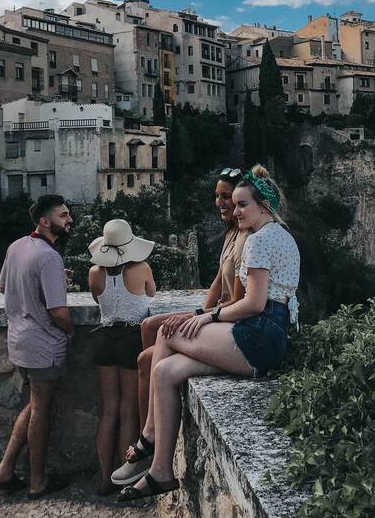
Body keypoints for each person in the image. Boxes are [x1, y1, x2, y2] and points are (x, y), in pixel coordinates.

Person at [119, 165, 300, 502]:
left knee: (169, 331)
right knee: (166, 371)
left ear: (264, 205)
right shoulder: (282, 235)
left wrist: (208, 316)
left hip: (258, 335)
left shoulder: (259, 240)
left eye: (243, 204)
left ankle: (149, 434)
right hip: (271, 339)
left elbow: (254, 304)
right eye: (236, 203)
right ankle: (161, 472)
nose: (236, 210)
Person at [111, 168, 249, 487]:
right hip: (213, 311)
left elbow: (240, 301)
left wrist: (200, 314)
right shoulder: (231, 233)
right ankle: (149, 437)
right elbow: (217, 282)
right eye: (218, 196)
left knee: (147, 360)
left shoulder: (247, 237)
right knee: (149, 324)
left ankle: (149, 442)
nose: (221, 202)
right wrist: (196, 309)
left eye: (227, 197)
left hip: (225, 318)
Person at [0, 194, 74, 500]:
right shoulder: (50, 257)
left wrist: (52, 279)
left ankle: (5, 469)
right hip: (42, 344)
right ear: (45, 221)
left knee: (33, 404)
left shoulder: (17, 247)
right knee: (42, 409)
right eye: (63, 216)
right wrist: (71, 332)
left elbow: (4, 285)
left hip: (18, 341)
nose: (69, 220)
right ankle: (37, 481)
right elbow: (58, 311)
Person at [87, 219, 157, 496]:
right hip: (131, 339)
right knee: (129, 410)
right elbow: (151, 293)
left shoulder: (95, 273)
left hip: (104, 339)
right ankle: (123, 478)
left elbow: (97, 299)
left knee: (108, 411)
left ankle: (104, 478)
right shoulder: (141, 268)